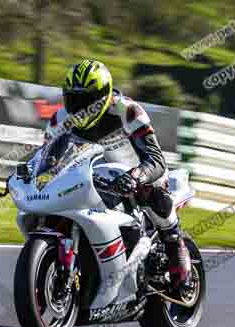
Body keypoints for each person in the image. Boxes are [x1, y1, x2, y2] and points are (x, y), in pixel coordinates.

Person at [45, 59, 192, 288]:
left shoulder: (128, 110)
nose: (80, 107)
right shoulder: (60, 119)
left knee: (153, 196)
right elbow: (46, 160)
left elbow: (156, 160)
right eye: (74, 99)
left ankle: (177, 250)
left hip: (138, 173)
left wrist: (136, 176)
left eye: (87, 100)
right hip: (92, 177)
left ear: (104, 95)